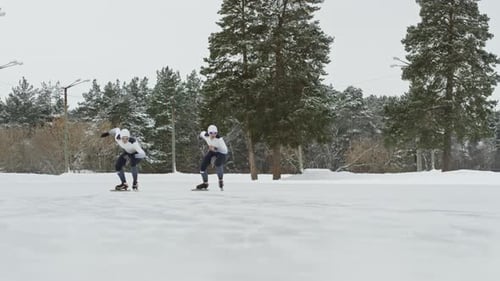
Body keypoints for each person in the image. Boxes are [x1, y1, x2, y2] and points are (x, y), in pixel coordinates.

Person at [196, 124, 228, 191]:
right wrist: (199, 137)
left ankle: (220, 180)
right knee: (203, 166)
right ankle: (205, 183)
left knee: (217, 164)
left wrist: (215, 148)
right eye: (211, 133)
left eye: (215, 133)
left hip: (221, 153)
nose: (213, 135)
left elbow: (225, 151)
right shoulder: (205, 135)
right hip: (212, 151)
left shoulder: (219, 140)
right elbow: (201, 133)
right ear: (208, 133)